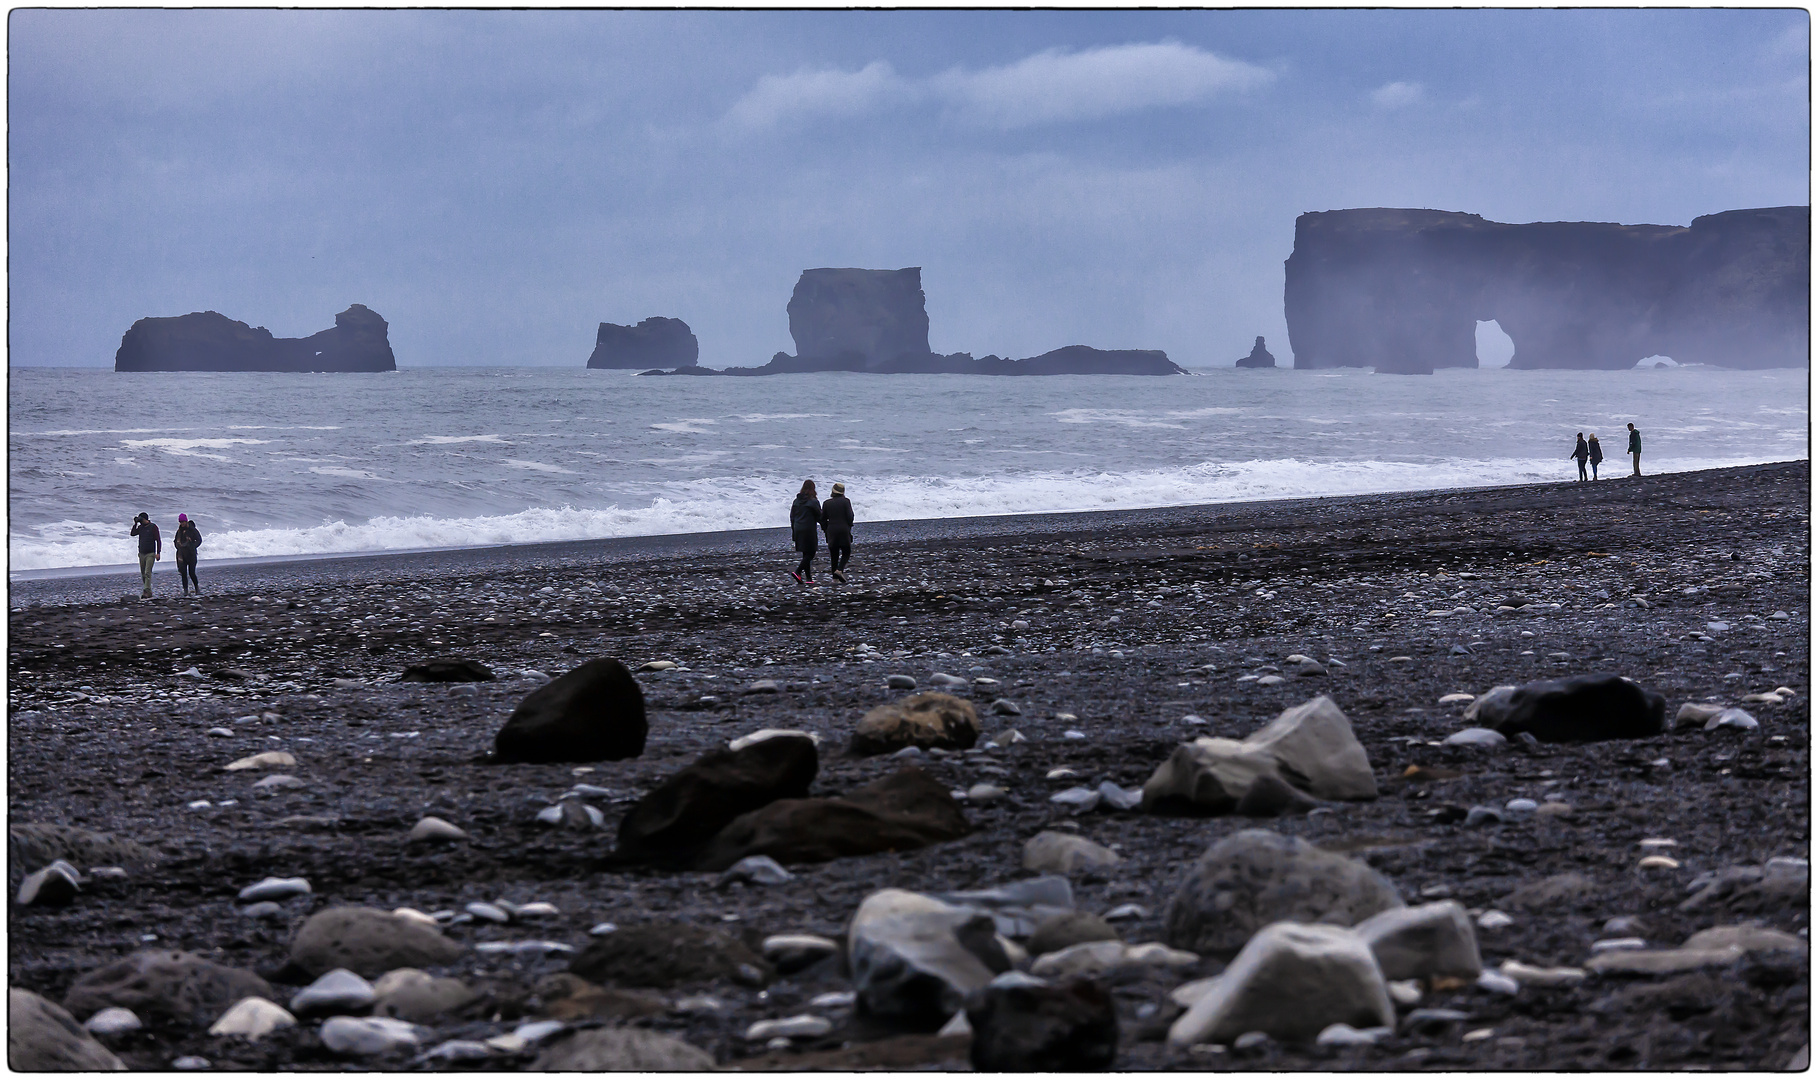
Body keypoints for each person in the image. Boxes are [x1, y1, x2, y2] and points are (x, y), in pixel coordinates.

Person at [789, 480, 822, 585]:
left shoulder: (796, 501)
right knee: (811, 552)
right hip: (808, 529)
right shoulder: (813, 502)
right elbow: (819, 516)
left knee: (805, 553)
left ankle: (808, 578)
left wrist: (794, 530)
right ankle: (798, 571)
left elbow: (792, 517)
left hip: (797, 528)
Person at [822, 482, 854, 583]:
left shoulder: (826, 503)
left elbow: (822, 519)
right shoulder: (846, 501)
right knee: (846, 552)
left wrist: (826, 529)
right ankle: (839, 570)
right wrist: (849, 525)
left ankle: (834, 579)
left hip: (831, 530)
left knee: (834, 554)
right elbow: (850, 517)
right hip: (844, 529)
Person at [130, 512, 161, 598]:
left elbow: (158, 540)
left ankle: (146, 590)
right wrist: (135, 524)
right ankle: (148, 590)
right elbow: (132, 533)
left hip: (150, 553)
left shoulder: (153, 527)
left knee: (148, 572)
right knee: (143, 573)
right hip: (141, 553)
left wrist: (158, 552)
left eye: (141, 519)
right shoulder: (140, 528)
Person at [173, 514, 203, 595]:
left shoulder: (192, 530)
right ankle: (186, 590)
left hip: (191, 554)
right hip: (182, 555)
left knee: (191, 572)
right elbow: (175, 541)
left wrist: (193, 546)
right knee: (183, 573)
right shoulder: (179, 531)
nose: (182, 523)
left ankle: (197, 588)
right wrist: (178, 547)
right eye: (180, 522)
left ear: (186, 521)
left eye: (183, 521)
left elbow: (199, 540)